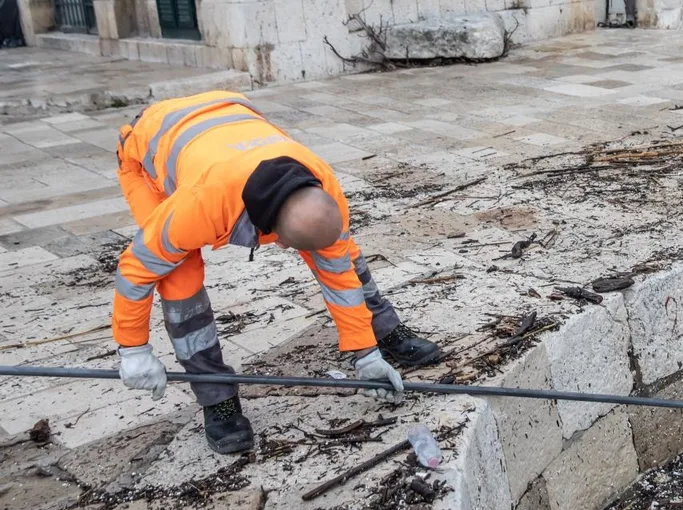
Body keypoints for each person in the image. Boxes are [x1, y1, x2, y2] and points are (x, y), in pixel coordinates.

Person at [111, 91, 443, 454]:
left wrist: (365, 354)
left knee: (342, 252)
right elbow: (135, 269)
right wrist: (133, 349)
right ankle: (215, 396)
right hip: (146, 150)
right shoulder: (201, 206)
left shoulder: (323, 185)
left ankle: (383, 330)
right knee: (179, 277)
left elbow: (338, 274)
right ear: (279, 241)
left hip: (226, 110)